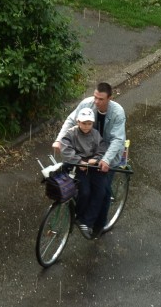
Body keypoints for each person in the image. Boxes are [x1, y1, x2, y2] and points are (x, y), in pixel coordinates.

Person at [53, 82, 126, 238]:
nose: (96, 101)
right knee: (81, 183)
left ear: (109, 98)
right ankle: (82, 215)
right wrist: (59, 140)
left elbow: (117, 140)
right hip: (85, 152)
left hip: (106, 154)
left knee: (104, 192)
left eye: (100, 99)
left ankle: (98, 226)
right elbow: (71, 120)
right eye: (95, 97)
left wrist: (105, 160)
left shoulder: (118, 113)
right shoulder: (87, 104)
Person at [59, 107, 107, 238]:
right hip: (77, 165)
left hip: (92, 165)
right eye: (84, 123)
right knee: (85, 191)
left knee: (101, 191)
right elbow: (65, 148)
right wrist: (79, 161)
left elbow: (102, 149)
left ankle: (86, 220)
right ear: (78, 122)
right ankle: (78, 215)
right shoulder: (71, 133)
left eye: (89, 123)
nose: (86, 126)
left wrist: (94, 160)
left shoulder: (96, 134)